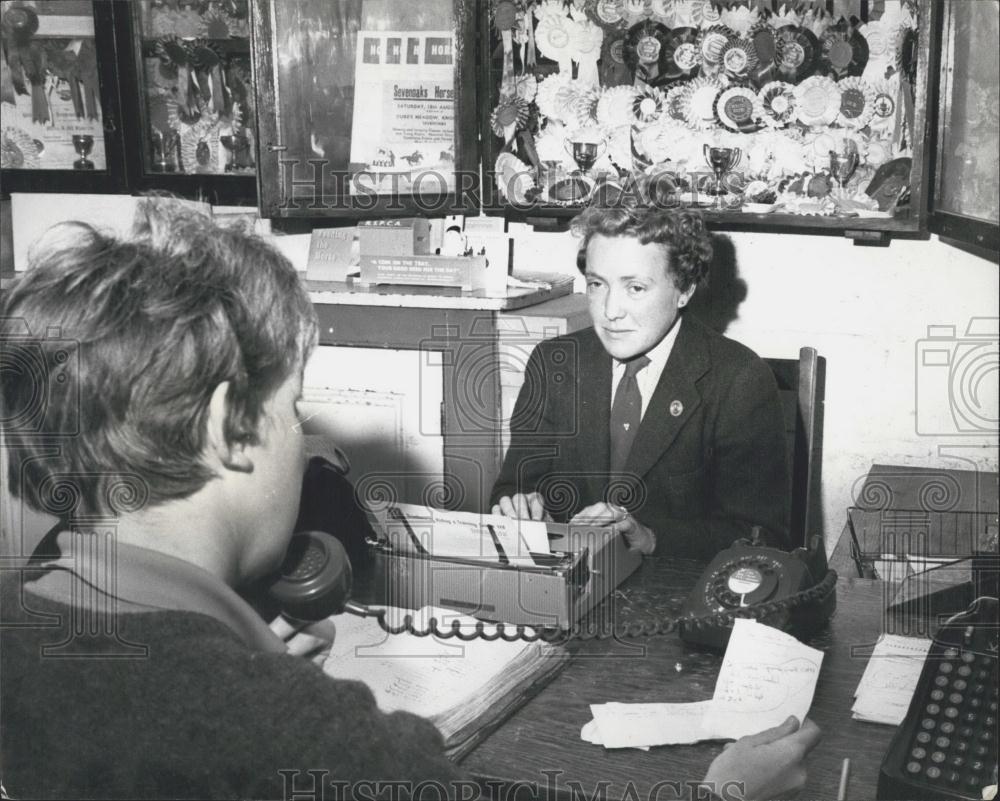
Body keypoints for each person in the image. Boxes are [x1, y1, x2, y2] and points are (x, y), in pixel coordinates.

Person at [1, 199, 817, 799]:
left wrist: (238, 662)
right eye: (295, 411)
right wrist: (726, 794)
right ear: (230, 428)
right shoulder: (309, 735)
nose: (310, 441)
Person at [491, 200, 790, 559]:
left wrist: (651, 537)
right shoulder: (554, 363)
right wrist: (523, 507)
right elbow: (511, 490)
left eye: (635, 288)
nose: (610, 311)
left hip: (676, 593)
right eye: (598, 284)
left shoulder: (739, 379)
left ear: (685, 289)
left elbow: (760, 538)